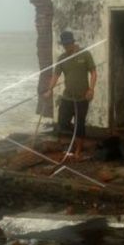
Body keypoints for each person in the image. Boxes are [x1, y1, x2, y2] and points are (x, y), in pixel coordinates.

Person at [43, 30, 97, 159]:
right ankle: (78, 135)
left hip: (82, 98)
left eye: (68, 44)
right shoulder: (62, 58)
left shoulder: (85, 54)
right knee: (62, 122)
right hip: (67, 97)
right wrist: (50, 89)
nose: (66, 47)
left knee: (80, 124)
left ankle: (78, 149)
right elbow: (56, 75)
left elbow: (93, 72)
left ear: (73, 42)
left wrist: (91, 89)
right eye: (64, 45)